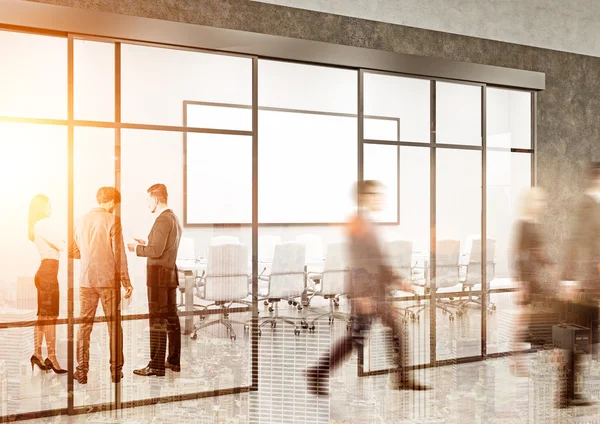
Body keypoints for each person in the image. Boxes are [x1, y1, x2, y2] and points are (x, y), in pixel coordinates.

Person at [306, 180, 429, 396]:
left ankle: (401, 378)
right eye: (374, 194)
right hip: (367, 292)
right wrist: (360, 295)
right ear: (363, 197)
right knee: (356, 338)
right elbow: (358, 261)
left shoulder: (368, 223)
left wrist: (398, 280)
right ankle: (317, 373)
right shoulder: (357, 223)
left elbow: (377, 260)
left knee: (392, 331)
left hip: (377, 290)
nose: (379, 198)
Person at [70, 187, 133, 384]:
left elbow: (72, 251)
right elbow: (119, 254)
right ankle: (115, 372)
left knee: (84, 328)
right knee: (114, 327)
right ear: (113, 202)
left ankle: (81, 372)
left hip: (86, 281)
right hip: (108, 282)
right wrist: (126, 282)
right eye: (117, 204)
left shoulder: (80, 220)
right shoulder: (113, 220)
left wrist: (90, 255)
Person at [128, 184, 182, 377]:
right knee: (171, 318)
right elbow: (161, 247)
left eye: (148, 200)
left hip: (158, 277)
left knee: (157, 320)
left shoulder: (161, 220)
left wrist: (135, 248)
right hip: (169, 275)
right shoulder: (174, 218)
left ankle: (156, 365)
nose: (147, 203)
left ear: (156, 200)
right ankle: (173, 361)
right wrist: (147, 244)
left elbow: (156, 251)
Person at [28, 194, 67, 374]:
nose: (51, 208)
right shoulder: (42, 224)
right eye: (49, 205)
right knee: (50, 318)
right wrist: (64, 241)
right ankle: (51, 357)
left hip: (47, 273)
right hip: (48, 274)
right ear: (41, 206)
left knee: (43, 317)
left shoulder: (38, 225)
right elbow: (61, 244)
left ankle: (37, 354)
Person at [513, 187, 552, 305]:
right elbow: (519, 254)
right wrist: (521, 283)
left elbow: (538, 251)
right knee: (527, 314)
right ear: (529, 203)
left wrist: (550, 265)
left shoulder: (535, 223)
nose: (542, 204)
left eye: (542, 200)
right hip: (527, 277)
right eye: (538, 200)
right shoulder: (524, 224)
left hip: (534, 275)